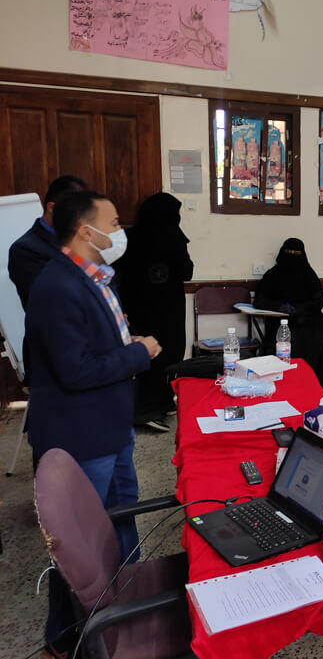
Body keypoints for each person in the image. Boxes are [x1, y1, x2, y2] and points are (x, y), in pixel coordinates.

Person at [25, 190, 161, 655]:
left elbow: (99, 348)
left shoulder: (98, 277)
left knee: (119, 520)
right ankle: (64, 638)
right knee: (80, 543)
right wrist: (137, 354)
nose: (121, 230)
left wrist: (129, 345)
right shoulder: (57, 286)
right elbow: (76, 370)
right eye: (115, 222)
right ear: (86, 231)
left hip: (110, 425)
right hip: (79, 435)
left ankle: (124, 608)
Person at [114, 192, 194, 431]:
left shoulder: (130, 237)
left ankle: (154, 405)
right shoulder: (173, 236)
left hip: (136, 307)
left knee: (143, 355)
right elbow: (187, 271)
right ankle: (151, 408)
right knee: (167, 353)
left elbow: (117, 266)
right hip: (167, 309)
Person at [254, 238, 323, 392]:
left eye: (297, 253)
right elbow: (259, 301)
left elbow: (319, 299)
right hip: (281, 320)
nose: (293, 256)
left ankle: (322, 388)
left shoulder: (308, 274)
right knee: (290, 345)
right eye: (289, 252)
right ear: (282, 253)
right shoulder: (273, 275)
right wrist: (280, 307)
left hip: (310, 317)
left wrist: (300, 309)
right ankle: (292, 389)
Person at [8, 174, 87, 308]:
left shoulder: (81, 238)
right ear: (51, 208)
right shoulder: (24, 250)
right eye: (75, 212)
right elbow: (53, 298)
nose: (80, 219)